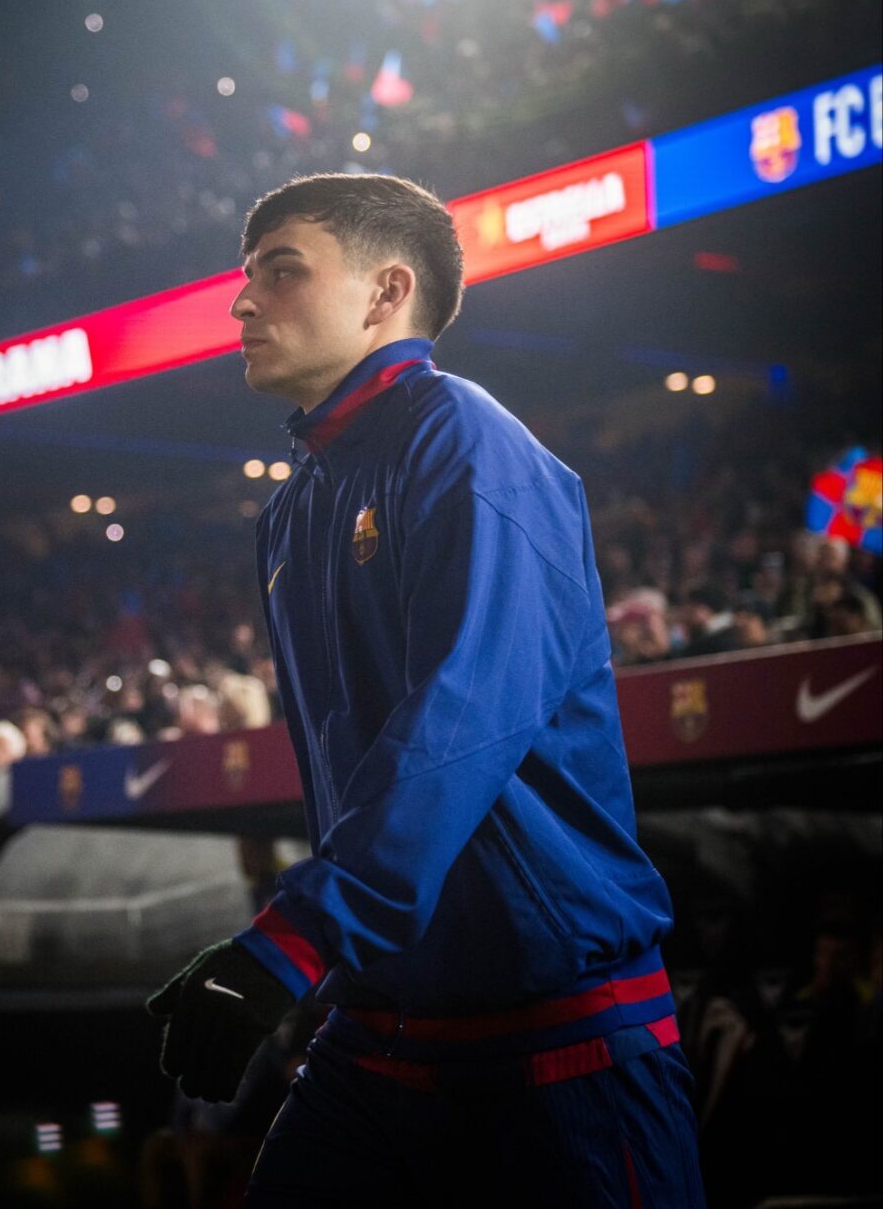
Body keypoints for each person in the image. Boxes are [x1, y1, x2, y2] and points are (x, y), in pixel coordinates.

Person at [147, 174, 706, 1208]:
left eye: (279, 272)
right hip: (381, 1030)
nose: (240, 303)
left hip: (558, 1037)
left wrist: (297, 935)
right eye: (243, 278)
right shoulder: (290, 512)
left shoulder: (466, 438)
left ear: (383, 291)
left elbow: (464, 720)